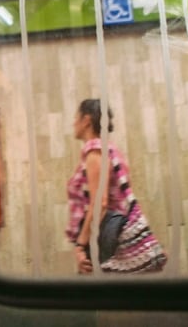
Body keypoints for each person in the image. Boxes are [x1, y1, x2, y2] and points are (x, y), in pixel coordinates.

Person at [66, 98, 167, 274]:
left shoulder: (95, 152)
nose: (73, 123)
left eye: (76, 118)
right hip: (107, 232)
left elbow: (100, 203)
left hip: (102, 234)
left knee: (92, 295)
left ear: (87, 120)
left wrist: (81, 245)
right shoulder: (108, 149)